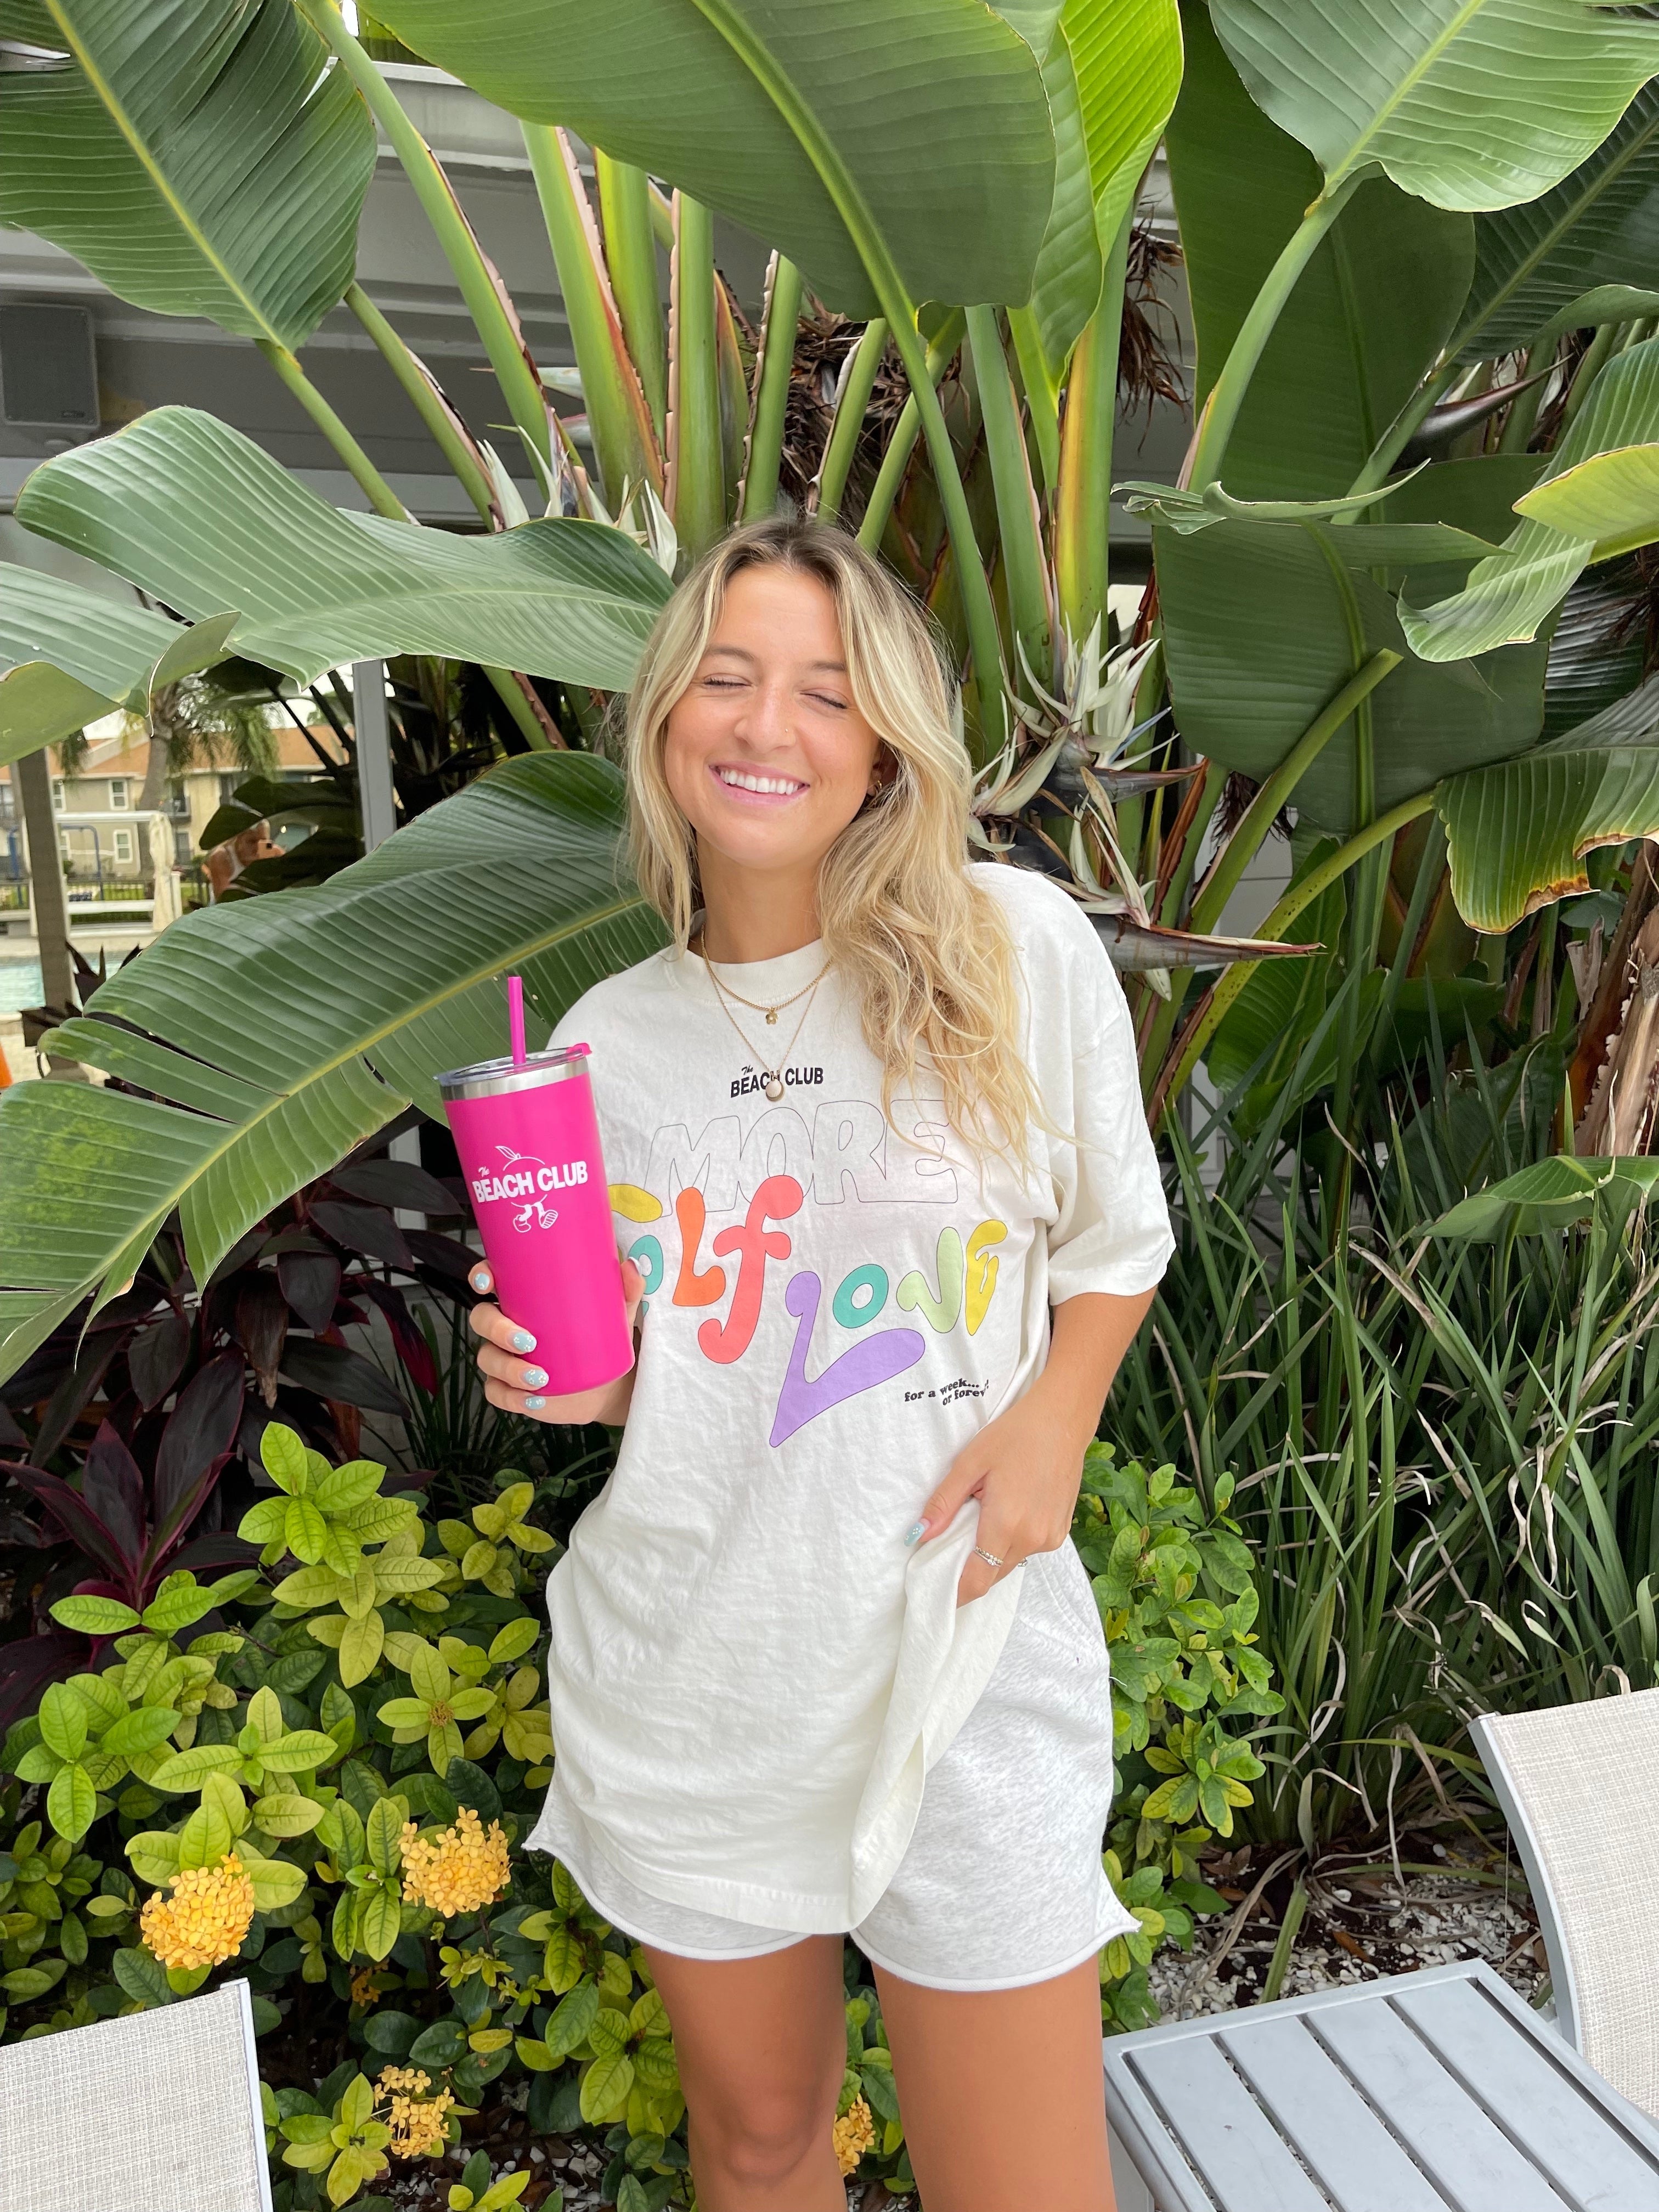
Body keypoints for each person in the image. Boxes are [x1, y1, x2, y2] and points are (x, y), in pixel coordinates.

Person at [468, 517, 1172, 2211]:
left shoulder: (1011, 946)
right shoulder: (603, 1045)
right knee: (763, 2141)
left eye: (826, 690)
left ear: (883, 747)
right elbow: (672, 1374)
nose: (767, 725)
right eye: (726, 676)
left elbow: (1118, 1239)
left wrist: (1056, 1425)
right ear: (665, 718)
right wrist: (575, 1380)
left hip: (966, 1645)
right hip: (708, 1673)